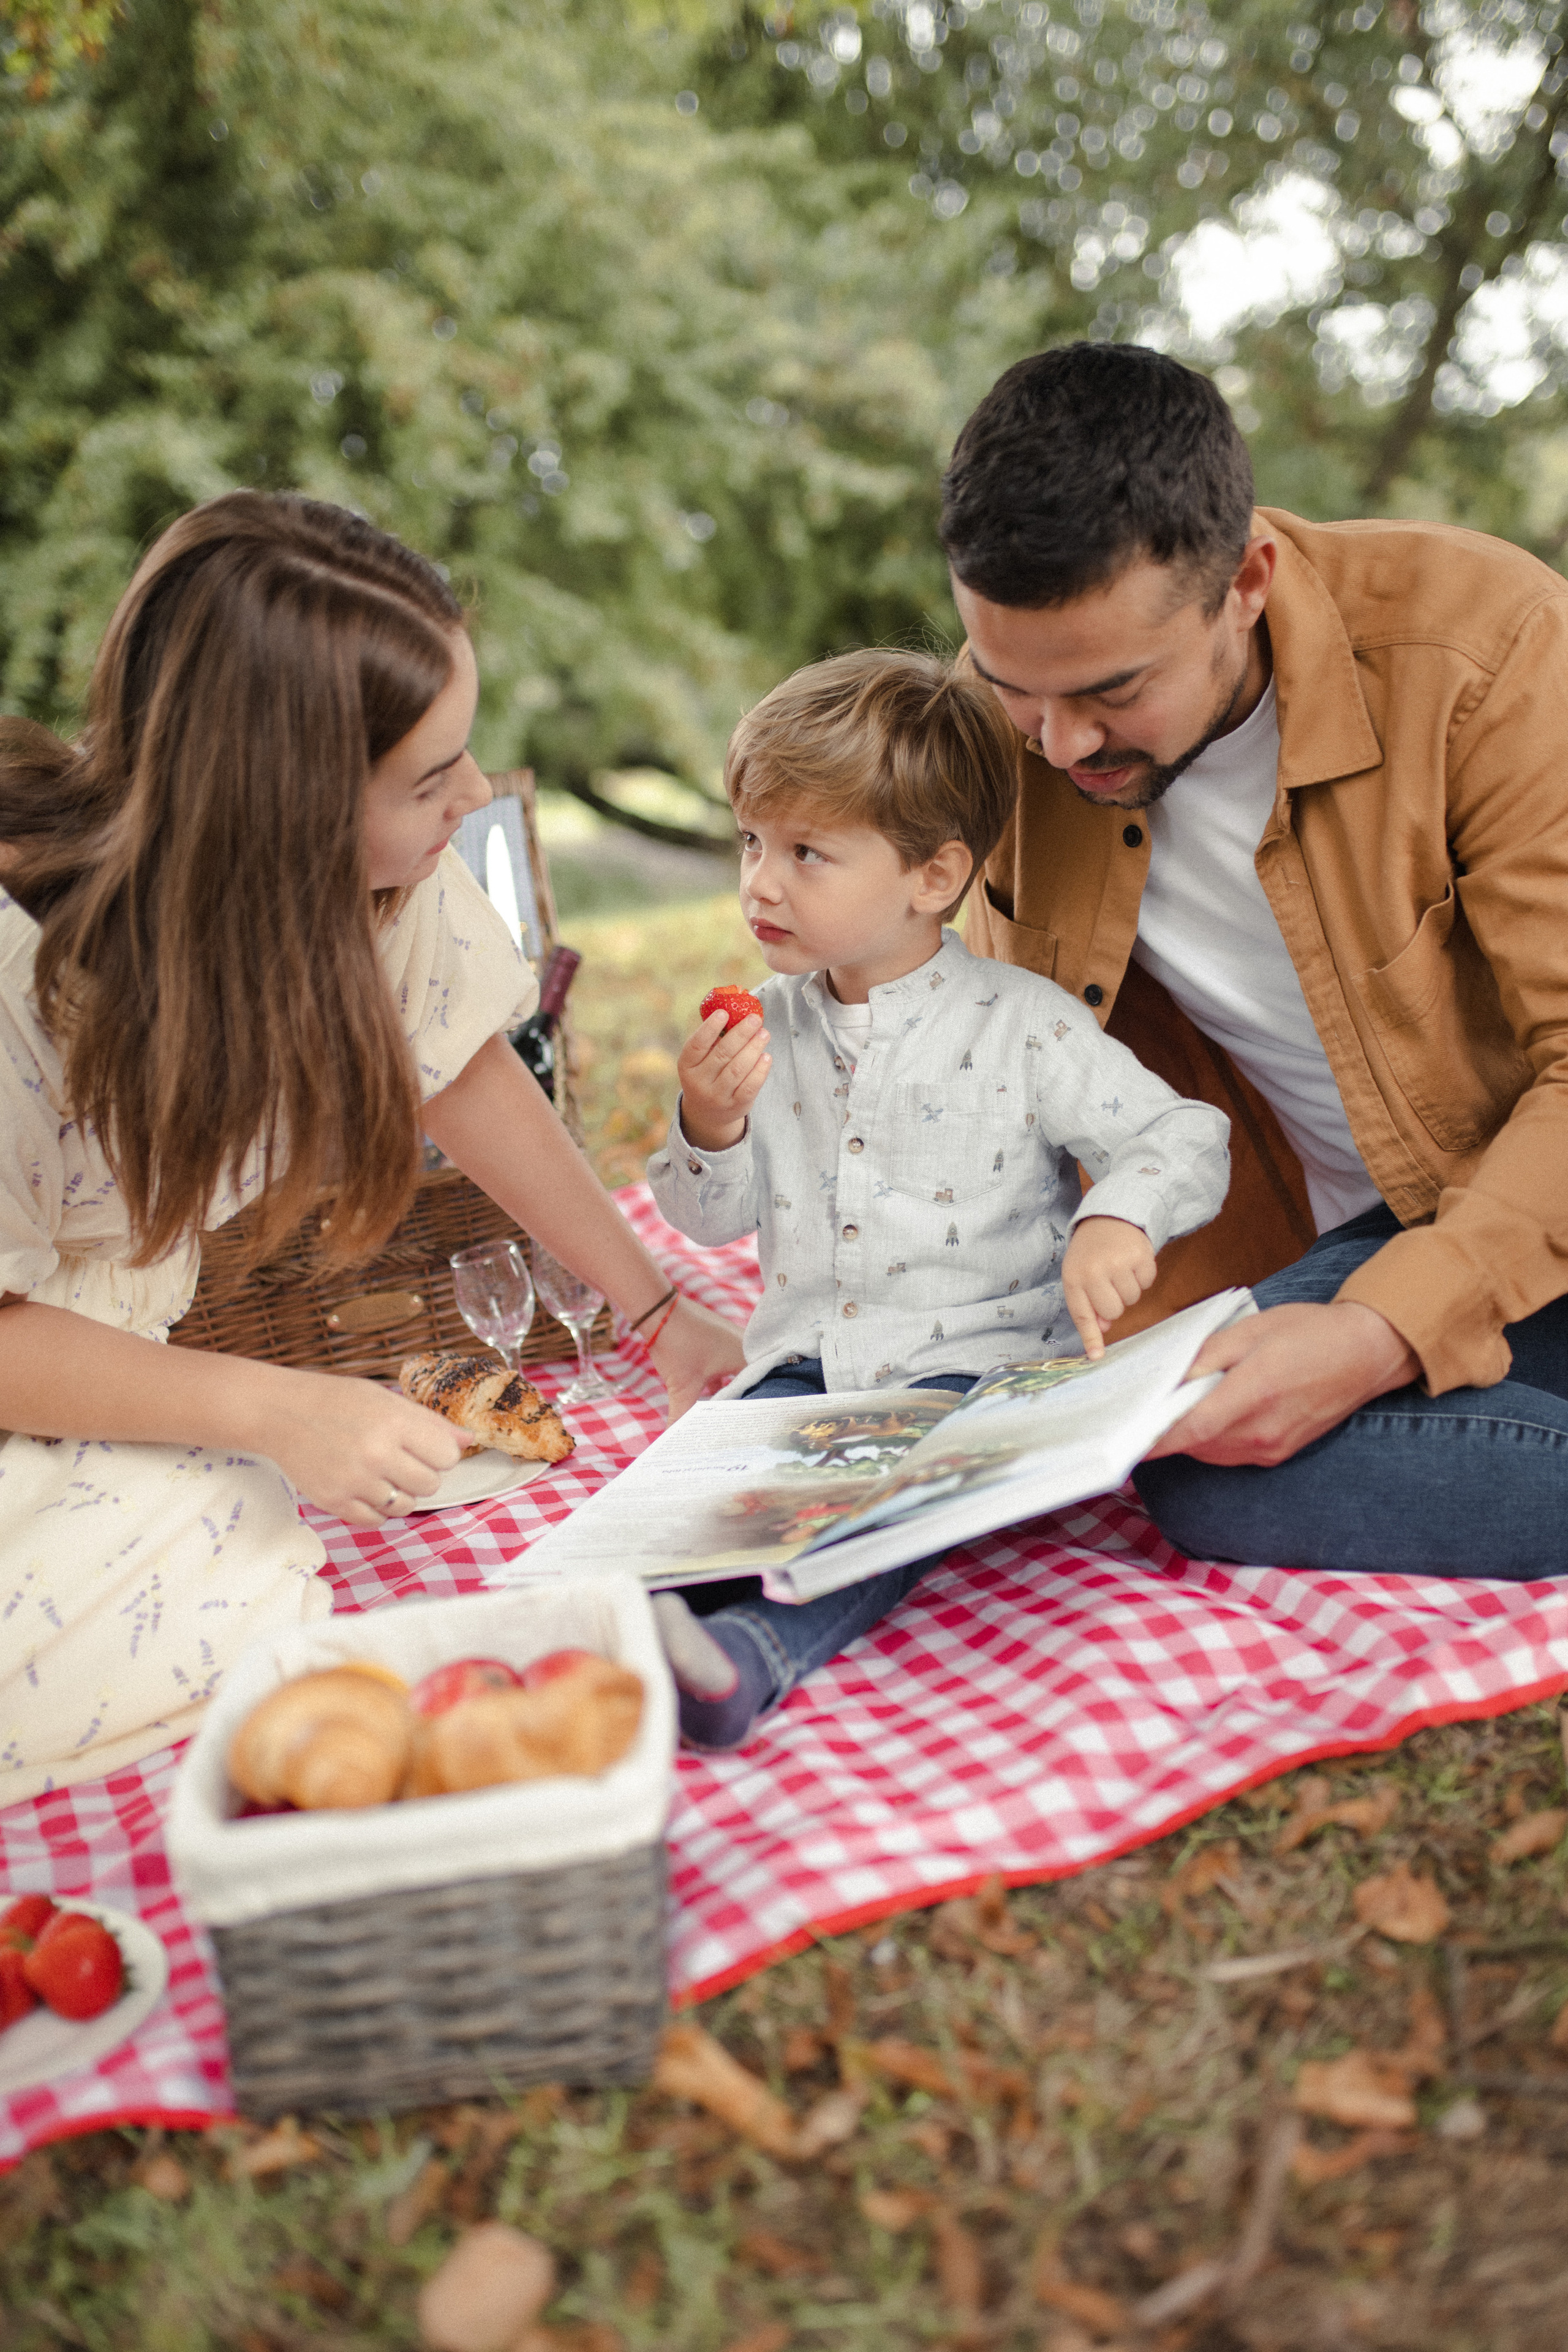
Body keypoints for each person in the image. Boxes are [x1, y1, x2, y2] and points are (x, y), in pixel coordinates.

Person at [0, 491, 744, 1803]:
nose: (473, 793)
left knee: (248, 1567)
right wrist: (275, 1410)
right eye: (427, 775)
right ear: (278, 811)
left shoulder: (384, 880)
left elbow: (463, 1072)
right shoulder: (24, 973)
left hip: (112, 1361)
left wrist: (657, 1308)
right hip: (35, 1361)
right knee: (224, 1581)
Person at [943, 341, 1568, 1577]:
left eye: (1112, 690)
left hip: (1521, 1190)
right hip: (1350, 1226)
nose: (1060, 744)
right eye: (1017, 688)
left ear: (1245, 580)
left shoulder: (1488, 647)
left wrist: (1381, 1335)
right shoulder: (1002, 724)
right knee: (1201, 1472)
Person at [646, 649, 1230, 1747]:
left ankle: (746, 1663)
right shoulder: (762, 1028)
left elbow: (1184, 1135)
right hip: (806, 1371)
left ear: (933, 875)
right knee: (690, 1510)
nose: (760, 883)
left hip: (971, 1378)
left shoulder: (1026, 1025)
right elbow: (709, 1220)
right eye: (751, 844)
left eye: (807, 852)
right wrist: (709, 1125)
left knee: (880, 1513)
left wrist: (1116, 1214)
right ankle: (649, 1628)